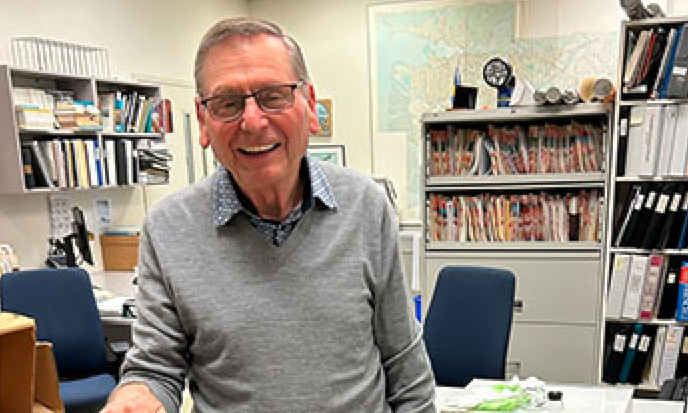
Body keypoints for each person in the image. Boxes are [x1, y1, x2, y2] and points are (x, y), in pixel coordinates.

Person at [102, 17, 437, 412]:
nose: (252, 121)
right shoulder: (168, 228)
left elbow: (404, 364)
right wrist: (137, 396)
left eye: (273, 96)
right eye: (227, 103)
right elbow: (156, 367)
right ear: (203, 121)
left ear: (310, 105)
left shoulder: (366, 206)